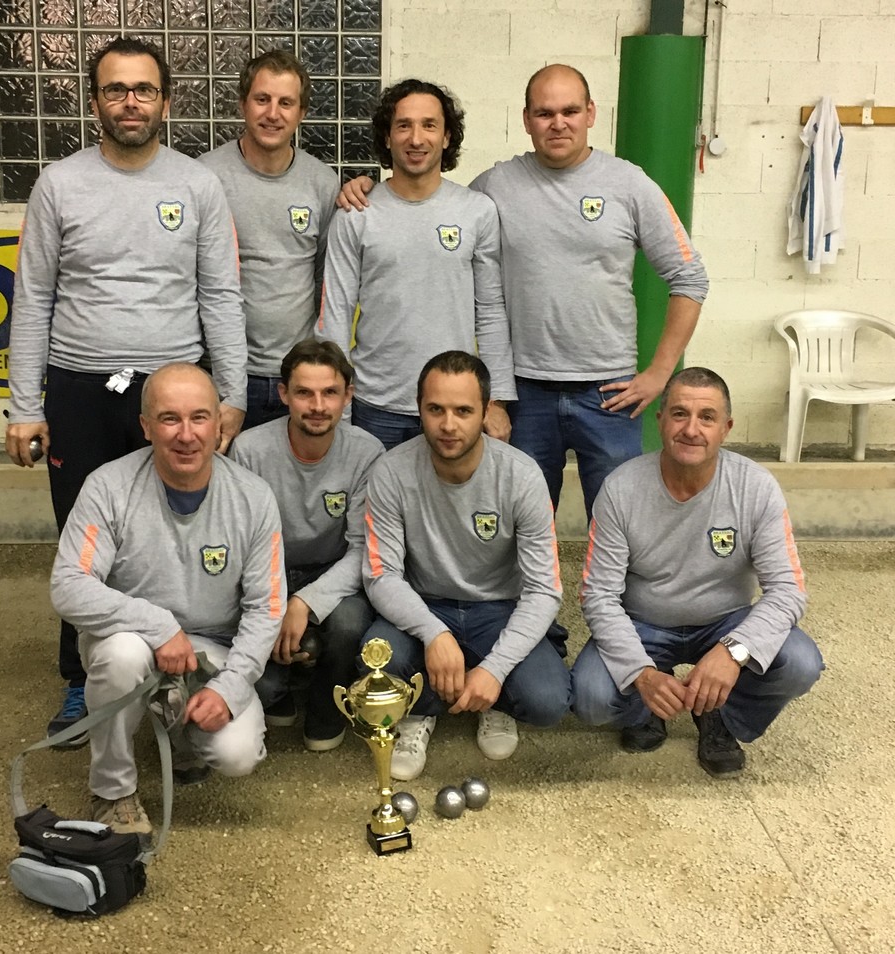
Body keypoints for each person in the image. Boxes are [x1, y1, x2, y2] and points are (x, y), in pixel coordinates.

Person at [5, 36, 247, 746]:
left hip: (171, 390)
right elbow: (34, 298)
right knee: (84, 540)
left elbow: (220, 295)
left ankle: (179, 664)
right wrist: (25, 407)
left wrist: (230, 396)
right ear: (95, 102)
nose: (130, 102)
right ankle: (84, 678)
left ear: (166, 102)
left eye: (144, 89)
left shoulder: (197, 186)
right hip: (80, 388)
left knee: (172, 531)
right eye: (116, 89)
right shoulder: (59, 184)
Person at [338, 64, 709, 522]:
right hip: (526, 393)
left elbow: (690, 277)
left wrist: (660, 372)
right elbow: (429, 204)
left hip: (609, 394)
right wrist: (365, 187)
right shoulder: (495, 187)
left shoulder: (630, 184)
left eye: (570, 111)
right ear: (527, 119)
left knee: (621, 522)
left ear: (591, 113)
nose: (558, 123)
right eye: (545, 113)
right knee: (520, 523)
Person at [50, 364, 283, 839]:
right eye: (169, 418)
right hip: (131, 639)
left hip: (211, 647)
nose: (186, 435)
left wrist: (230, 688)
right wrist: (158, 626)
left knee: (237, 755)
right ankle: (113, 791)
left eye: (199, 417)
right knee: (123, 656)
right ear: (146, 426)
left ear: (219, 423)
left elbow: (267, 607)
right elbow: (68, 585)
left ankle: (180, 732)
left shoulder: (254, 498)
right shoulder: (108, 487)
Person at [572, 367, 824, 778]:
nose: (691, 429)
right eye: (679, 414)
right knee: (590, 697)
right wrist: (641, 673)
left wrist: (734, 651)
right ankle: (647, 709)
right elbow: (598, 595)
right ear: (660, 420)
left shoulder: (756, 487)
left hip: (725, 622)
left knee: (800, 662)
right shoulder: (620, 489)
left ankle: (718, 712)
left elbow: (788, 590)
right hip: (644, 625)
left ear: (726, 428)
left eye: (707, 417)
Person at [360, 351, 571, 780]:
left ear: (486, 410)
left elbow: (544, 590)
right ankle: (421, 710)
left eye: (463, 411)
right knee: (376, 661)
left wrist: (496, 668)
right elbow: (381, 575)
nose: (448, 425)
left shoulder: (522, 476)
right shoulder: (390, 472)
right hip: (425, 605)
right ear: (419, 408)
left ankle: (492, 698)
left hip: (499, 609)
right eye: (435, 409)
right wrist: (433, 633)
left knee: (548, 701)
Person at [316, 79, 515, 450]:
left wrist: (496, 399)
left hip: (453, 406)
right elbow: (335, 315)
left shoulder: (477, 212)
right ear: (387, 137)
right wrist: (337, 402)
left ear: (447, 137)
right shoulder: (356, 214)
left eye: (429, 125)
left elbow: (490, 310)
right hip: (375, 406)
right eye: (403, 125)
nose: (416, 138)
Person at [229, 340, 384, 750]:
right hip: (267, 573)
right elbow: (242, 548)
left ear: (348, 396)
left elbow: (362, 549)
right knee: (263, 689)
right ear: (283, 394)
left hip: (332, 572)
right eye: (304, 393)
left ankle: (326, 704)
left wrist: (304, 603)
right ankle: (281, 684)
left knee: (349, 623)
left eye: (330, 392)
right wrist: (277, 601)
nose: (317, 405)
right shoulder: (249, 450)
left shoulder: (367, 452)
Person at [199, 51, 339, 429]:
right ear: (243, 104)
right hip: (221, 375)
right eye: (262, 99)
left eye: (286, 103)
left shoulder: (322, 183)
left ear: (301, 112)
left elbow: (326, 279)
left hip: (298, 377)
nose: (272, 114)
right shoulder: (206, 178)